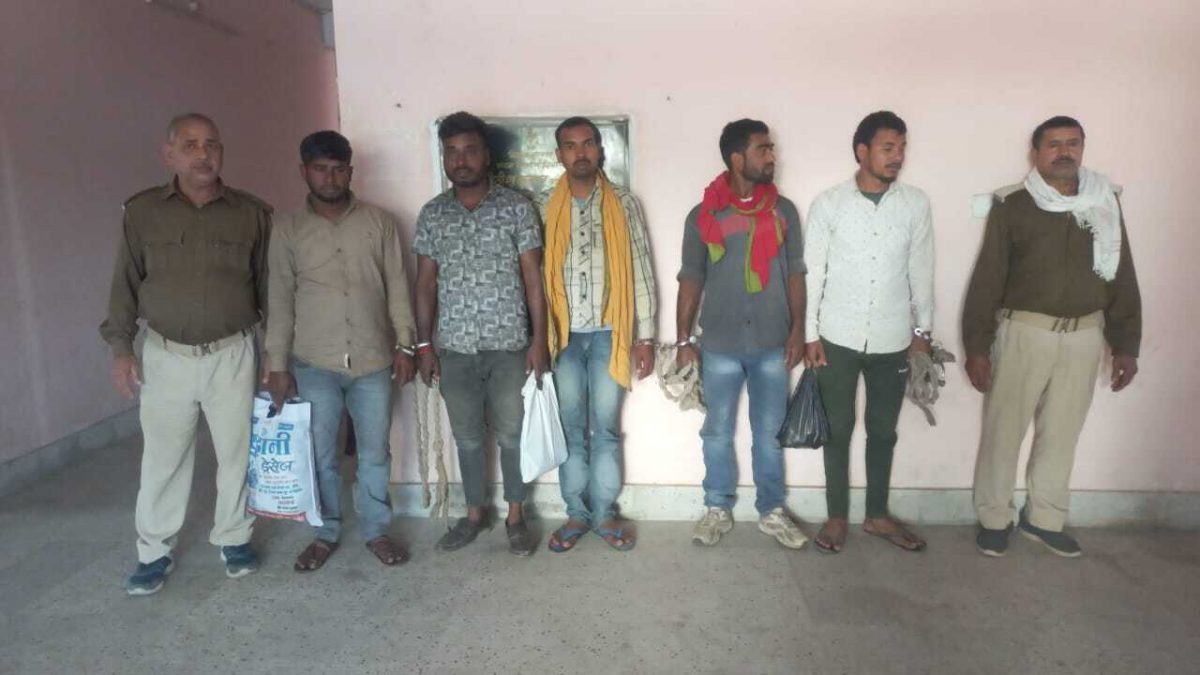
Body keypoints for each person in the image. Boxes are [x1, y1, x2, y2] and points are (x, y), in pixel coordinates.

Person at [101, 113, 270, 595]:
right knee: (164, 457)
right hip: (165, 355)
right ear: (169, 154)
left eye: (212, 144)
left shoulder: (252, 213)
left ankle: (234, 538)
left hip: (233, 353)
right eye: (191, 144)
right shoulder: (142, 213)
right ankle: (154, 551)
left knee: (237, 453)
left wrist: (277, 357)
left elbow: (268, 288)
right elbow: (124, 285)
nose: (203, 154)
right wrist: (121, 348)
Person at [963, 116, 1141, 558]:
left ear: (1083, 148)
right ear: (1036, 152)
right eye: (1054, 144)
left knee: (1062, 433)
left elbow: (1121, 273)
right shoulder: (1013, 204)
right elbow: (988, 277)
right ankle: (995, 517)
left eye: (1073, 143)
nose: (1064, 152)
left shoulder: (1104, 200)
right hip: (1025, 332)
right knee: (1004, 430)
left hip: (1084, 336)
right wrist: (977, 348)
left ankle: (1044, 519)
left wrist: (1126, 345)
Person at [264, 130, 416, 571]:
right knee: (321, 454)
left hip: (373, 360)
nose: (330, 178)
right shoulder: (287, 229)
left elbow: (398, 287)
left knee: (374, 453)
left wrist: (406, 344)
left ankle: (377, 531)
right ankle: (326, 532)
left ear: (351, 171)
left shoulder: (379, 223)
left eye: (338, 169)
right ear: (304, 172)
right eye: (320, 169)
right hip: (314, 362)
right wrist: (277, 365)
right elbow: (280, 299)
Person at [412, 111, 549, 556]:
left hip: (509, 345)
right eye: (452, 151)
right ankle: (474, 513)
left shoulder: (516, 208)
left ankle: (515, 516)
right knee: (467, 436)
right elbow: (425, 285)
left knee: (511, 434)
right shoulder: (433, 214)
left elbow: (534, 281)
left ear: (486, 154)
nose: (461, 160)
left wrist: (539, 341)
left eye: (470, 150)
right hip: (454, 349)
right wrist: (424, 345)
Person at [803, 110, 935, 553]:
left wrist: (922, 331)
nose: (897, 156)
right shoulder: (830, 204)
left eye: (902, 148)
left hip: (893, 338)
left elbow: (922, 270)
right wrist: (810, 335)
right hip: (836, 337)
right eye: (888, 148)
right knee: (837, 429)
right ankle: (836, 517)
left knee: (883, 430)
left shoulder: (915, 204)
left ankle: (877, 515)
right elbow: (812, 273)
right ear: (862, 151)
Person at [675, 119, 809, 549]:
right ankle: (717, 507)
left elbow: (795, 273)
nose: (772, 156)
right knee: (716, 432)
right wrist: (683, 341)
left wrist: (798, 330)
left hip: (772, 343)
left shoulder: (783, 212)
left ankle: (771, 511)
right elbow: (691, 278)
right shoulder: (704, 215)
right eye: (762, 149)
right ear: (737, 159)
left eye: (772, 148)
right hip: (719, 345)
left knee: (769, 435)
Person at [534, 116, 658, 552]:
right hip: (562, 337)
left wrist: (646, 336)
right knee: (571, 429)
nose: (581, 153)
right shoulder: (545, 206)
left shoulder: (624, 204)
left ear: (600, 150)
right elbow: (533, 278)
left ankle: (604, 514)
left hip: (610, 333)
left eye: (588, 144)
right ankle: (576, 513)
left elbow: (641, 269)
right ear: (559, 155)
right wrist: (536, 339)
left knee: (604, 429)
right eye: (570, 146)